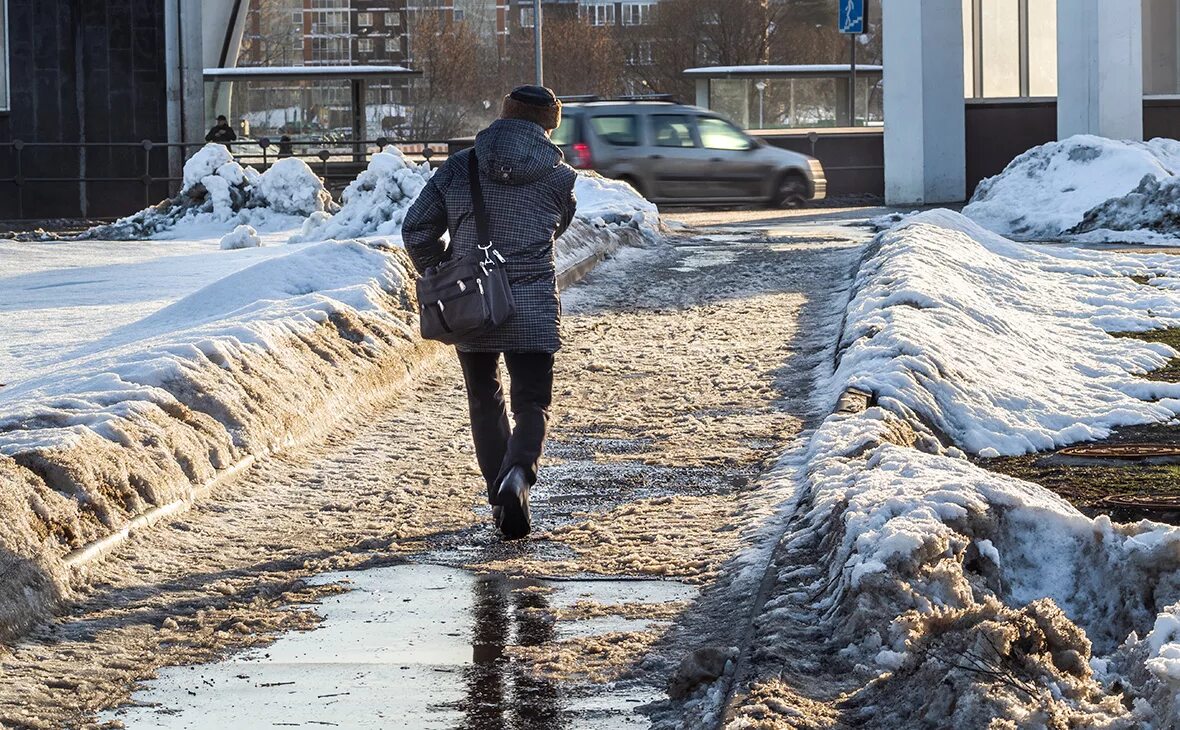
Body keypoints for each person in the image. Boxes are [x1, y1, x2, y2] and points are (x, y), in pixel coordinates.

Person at [402, 85, 577, 540]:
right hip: (533, 302)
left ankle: (499, 496)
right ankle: (519, 472)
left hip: (473, 300)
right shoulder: (559, 178)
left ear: (503, 115)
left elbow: (416, 227)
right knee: (532, 401)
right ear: (548, 125)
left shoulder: (459, 168)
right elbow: (559, 224)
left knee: (484, 396)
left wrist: (443, 268)